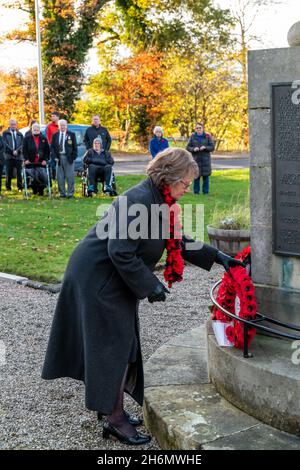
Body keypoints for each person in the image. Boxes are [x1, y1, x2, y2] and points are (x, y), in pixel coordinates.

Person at [41, 147, 244, 446]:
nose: (188, 188)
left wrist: (218, 256)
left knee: (122, 344)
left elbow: (177, 240)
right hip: (98, 278)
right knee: (115, 346)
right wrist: (151, 285)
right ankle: (114, 418)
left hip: (110, 276)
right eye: (186, 182)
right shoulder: (138, 200)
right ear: (170, 176)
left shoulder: (159, 199)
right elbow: (119, 250)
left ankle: (108, 405)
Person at [51, 119, 77, 198]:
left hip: (69, 158)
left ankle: (70, 194)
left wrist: (73, 157)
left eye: (64, 125)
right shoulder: (55, 135)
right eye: (61, 125)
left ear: (66, 126)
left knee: (70, 177)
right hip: (58, 158)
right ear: (58, 126)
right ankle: (62, 193)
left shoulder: (71, 135)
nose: (62, 126)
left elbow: (75, 147)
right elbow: (52, 148)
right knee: (60, 177)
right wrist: (55, 157)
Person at [186, 122, 215, 195]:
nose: (198, 129)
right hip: (196, 159)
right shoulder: (192, 136)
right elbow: (188, 147)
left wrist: (205, 147)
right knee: (196, 177)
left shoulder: (207, 136)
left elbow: (212, 147)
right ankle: (196, 192)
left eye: (200, 128)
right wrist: (193, 149)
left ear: (203, 128)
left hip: (205, 160)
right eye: (197, 128)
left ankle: (205, 192)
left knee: (206, 177)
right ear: (195, 129)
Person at [22, 123, 50, 196]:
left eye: (37, 130)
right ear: (32, 130)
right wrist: (26, 159)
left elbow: (47, 150)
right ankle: (34, 189)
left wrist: (45, 160)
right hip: (30, 163)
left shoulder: (43, 138)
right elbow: (24, 150)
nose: (36, 131)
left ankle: (41, 189)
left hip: (41, 162)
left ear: (39, 131)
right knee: (33, 175)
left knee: (42, 175)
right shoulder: (27, 139)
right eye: (34, 130)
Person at [2, 119, 24, 191]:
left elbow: (22, 144)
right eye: (12, 124)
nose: (13, 126)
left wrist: (17, 151)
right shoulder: (5, 133)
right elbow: (4, 144)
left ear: (16, 125)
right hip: (8, 155)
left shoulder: (20, 134)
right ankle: (8, 187)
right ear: (9, 124)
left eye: (14, 124)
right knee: (8, 172)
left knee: (19, 172)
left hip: (18, 155)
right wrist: (12, 151)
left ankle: (20, 187)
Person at [46, 112, 60, 180]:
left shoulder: (62, 125)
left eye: (53, 116)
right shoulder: (49, 126)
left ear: (58, 117)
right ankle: (54, 177)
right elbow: (48, 138)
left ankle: (61, 176)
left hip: (61, 147)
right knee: (53, 163)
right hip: (53, 148)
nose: (52, 117)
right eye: (51, 116)